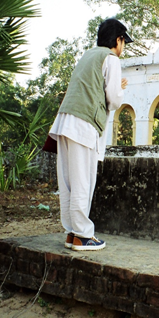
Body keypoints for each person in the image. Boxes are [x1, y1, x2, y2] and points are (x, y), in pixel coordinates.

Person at [48, 18, 130, 251]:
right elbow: (113, 99)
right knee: (83, 180)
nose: (123, 47)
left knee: (68, 182)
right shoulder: (111, 58)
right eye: (123, 42)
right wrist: (120, 89)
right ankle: (83, 235)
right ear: (118, 40)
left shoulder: (88, 55)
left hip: (65, 120)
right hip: (84, 123)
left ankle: (72, 233)